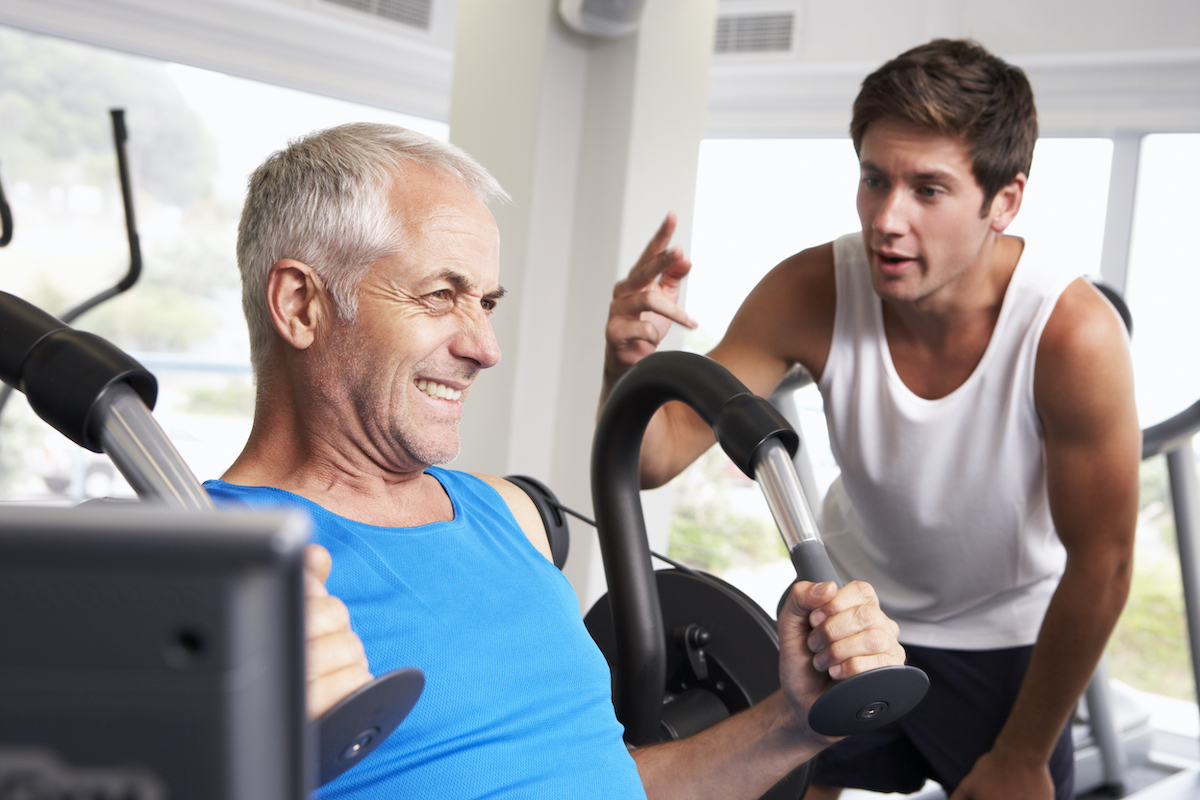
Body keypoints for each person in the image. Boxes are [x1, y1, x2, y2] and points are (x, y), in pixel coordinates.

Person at [205, 122, 907, 800]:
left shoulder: (507, 514)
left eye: (485, 303)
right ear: (302, 305)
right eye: (441, 294)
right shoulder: (199, 566)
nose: (485, 347)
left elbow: (604, 782)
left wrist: (794, 724)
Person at [603, 39, 1140, 800]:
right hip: (856, 612)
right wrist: (627, 365)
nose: (887, 218)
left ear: (1005, 200)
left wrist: (1023, 753)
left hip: (999, 638)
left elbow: (1105, 560)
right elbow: (656, 458)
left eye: (928, 189)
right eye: (874, 179)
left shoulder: (1070, 334)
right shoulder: (812, 287)